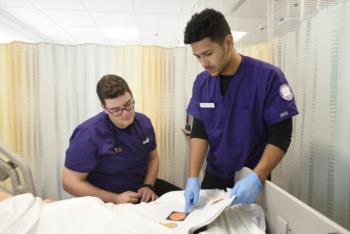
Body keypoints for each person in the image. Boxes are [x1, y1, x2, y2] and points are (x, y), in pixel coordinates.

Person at [183, 9, 298, 213]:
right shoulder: (202, 83)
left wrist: (257, 176)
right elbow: (200, 132)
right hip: (215, 173)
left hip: (251, 177)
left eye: (208, 54)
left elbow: (280, 136)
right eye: (198, 56)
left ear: (228, 42)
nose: (203, 63)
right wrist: (193, 177)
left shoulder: (268, 77)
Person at [63, 74, 180, 204]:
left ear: (132, 96)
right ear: (104, 109)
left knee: (186, 204)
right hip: (106, 198)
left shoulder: (144, 123)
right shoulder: (88, 134)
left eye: (128, 105)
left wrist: (148, 186)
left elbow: (152, 159)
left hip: (141, 190)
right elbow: (69, 182)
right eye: (116, 110)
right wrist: (115, 199)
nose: (125, 114)